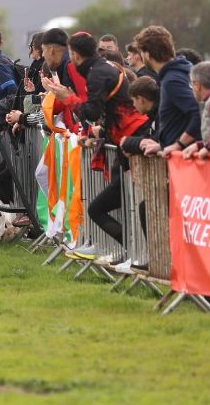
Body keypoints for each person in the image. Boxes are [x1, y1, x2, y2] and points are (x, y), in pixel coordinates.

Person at [44, 33, 149, 259]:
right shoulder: (98, 69)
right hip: (121, 140)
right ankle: (131, 253)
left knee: (112, 206)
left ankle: (137, 255)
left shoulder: (98, 73)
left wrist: (67, 96)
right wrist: (98, 133)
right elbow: (106, 112)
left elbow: (91, 111)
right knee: (110, 206)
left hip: (132, 139)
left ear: (74, 54)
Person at [131, 26, 201, 157]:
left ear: (148, 54)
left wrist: (178, 144)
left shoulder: (172, 80)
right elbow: (180, 120)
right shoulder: (184, 70)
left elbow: (198, 112)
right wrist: (162, 145)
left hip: (186, 160)